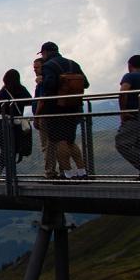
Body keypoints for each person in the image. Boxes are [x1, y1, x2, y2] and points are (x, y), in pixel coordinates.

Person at [38, 41, 89, 178]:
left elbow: (50, 85)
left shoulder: (48, 66)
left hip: (55, 108)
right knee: (70, 140)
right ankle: (82, 171)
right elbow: (86, 83)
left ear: (46, 52)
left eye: (42, 53)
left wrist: (41, 82)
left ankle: (68, 173)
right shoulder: (73, 63)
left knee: (59, 140)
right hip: (74, 107)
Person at [0, 68, 33, 174]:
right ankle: (11, 173)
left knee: (5, 147)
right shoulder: (22, 89)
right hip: (17, 122)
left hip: (3, 122)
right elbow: (29, 102)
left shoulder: (4, 91)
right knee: (13, 147)